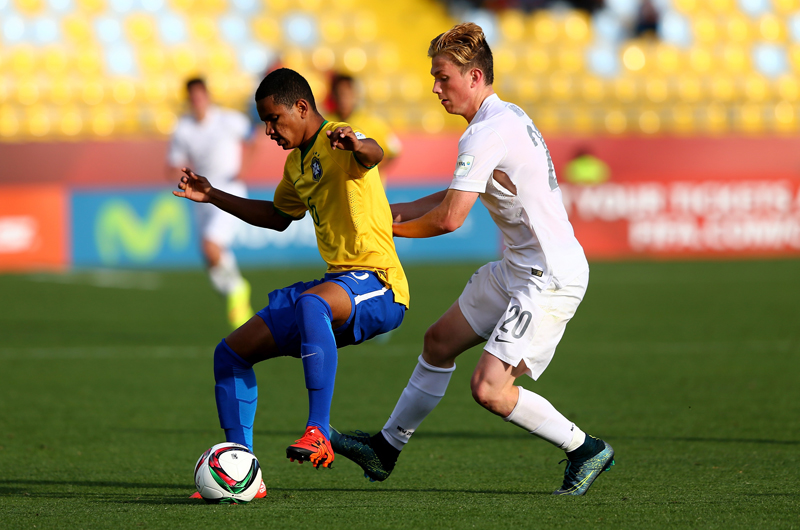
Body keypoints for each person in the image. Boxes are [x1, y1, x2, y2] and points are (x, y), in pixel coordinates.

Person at [331, 23, 614, 496]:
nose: (435, 88)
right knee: (439, 342)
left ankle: (586, 448)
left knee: (489, 390)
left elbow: (449, 219)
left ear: (475, 76)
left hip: (548, 277)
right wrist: (389, 213)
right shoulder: (502, 117)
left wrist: (380, 231)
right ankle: (385, 448)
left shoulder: (485, 133)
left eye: (443, 77)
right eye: (434, 77)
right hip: (518, 267)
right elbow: (454, 195)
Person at [174, 68, 410, 478]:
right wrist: (212, 195)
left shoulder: (338, 137)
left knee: (312, 303)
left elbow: (373, 154)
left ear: (301, 107)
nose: (268, 130)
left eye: (273, 119)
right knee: (231, 354)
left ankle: (318, 431)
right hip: (338, 284)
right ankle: (241, 471)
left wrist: (357, 144)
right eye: (264, 121)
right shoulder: (296, 164)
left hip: (380, 283)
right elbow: (277, 216)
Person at [167, 77, 255, 330]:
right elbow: (173, 164)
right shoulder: (183, 128)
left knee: (211, 245)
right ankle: (237, 296)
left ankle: (238, 288)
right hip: (202, 196)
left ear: (207, 95)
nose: (197, 101)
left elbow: (254, 137)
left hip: (229, 190)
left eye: (200, 95)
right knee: (210, 261)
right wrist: (180, 174)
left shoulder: (228, 120)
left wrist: (243, 169)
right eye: (192, 97)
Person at [329, 73, 403, 173]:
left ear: (354, 95)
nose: (343, 99)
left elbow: (394, 150)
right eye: (339, 94)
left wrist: (373, 171)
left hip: (366, 182)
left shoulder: (373, 122)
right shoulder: (328, 122)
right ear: (333, 95)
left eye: (346, 94)